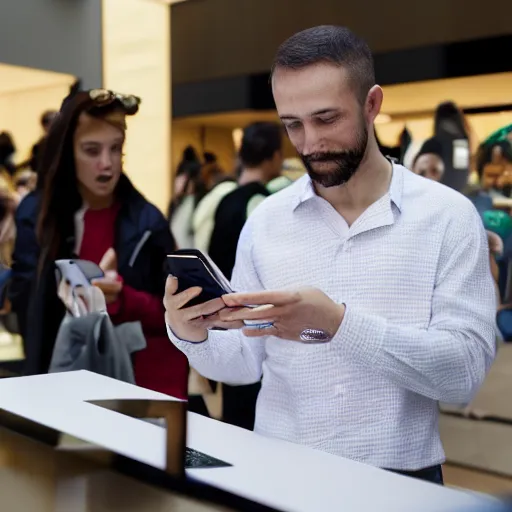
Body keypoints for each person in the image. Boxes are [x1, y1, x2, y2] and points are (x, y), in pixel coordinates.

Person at [164, 26, 497, 484]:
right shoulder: (267, 221)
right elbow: (242, 362)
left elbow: (463, 374)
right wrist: (191, 334)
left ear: (372, 104)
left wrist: (338, 323)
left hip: (400, 479)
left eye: (326, 119)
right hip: (279, 471)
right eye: (292, 125)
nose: (309, 143)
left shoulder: (448, 218)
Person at [10, 89, 188, 399]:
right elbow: (27, 306)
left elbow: (177, 316)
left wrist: (123, 298)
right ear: (67, 153)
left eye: (115, 149)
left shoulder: (148, 223)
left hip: (133, 389)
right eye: (91, 150)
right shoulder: (36, 217)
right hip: (54, 385)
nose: (106, 164)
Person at [208, 122, 284, 281]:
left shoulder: (226, 198)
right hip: (244, 297)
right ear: (275, 156)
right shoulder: (261, 200)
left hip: (221, 293)